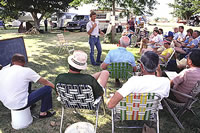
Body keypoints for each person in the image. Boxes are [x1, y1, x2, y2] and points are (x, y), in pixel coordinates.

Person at [0, 54, 55, 118]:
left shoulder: (2, 71)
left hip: (6, 104)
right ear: (24, 63)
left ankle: (30, 105)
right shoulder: (26, 71)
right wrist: (55, 88)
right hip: (19, 104)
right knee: (47, 89)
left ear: (12, 62)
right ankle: (43, 113)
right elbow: (45, 82)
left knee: (27, 81)